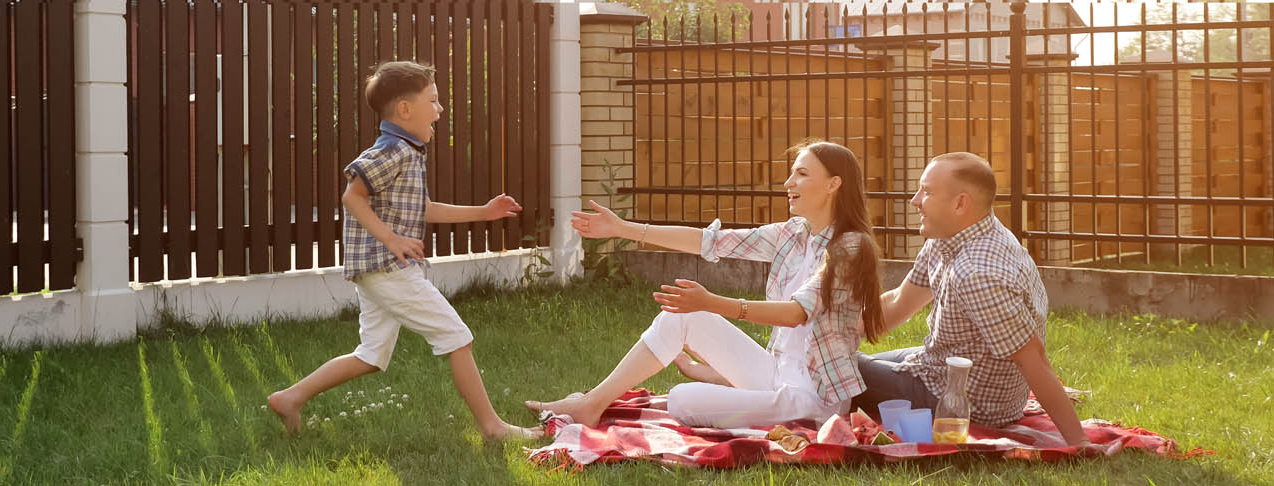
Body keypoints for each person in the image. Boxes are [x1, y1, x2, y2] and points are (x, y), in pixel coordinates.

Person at [525, 141, 886, 429]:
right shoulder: (794, 233)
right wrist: (624, 229)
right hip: (775, 373)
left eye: (801, 174)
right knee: (683, 317)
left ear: (834, 184)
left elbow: (796, 314)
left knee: (683, 399)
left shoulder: (851, 246)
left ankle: (720, 396)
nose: (788, 184)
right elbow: (711, 241)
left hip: (813, 398)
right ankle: (592, 403)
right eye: (791, 174)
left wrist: (713, 301)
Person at [268, 61, 538, 440]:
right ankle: (492, 428)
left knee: (371, 355)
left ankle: (290, 398)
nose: (440, 109)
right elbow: (352, 195)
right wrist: (391, 240)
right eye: (434, 100)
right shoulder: (392, 150)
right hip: (387, 267)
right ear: (404, 109)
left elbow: (423, 209)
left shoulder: (409, 152)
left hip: (380, 269)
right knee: (456, 336)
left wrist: (485, 211)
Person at [853, 152, 1089, 446]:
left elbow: (1033, 359)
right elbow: (901, 302)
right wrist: (836, 332)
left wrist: (1079, 441)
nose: (914, 201)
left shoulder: (977, 273)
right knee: (841, 363)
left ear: (960, 203)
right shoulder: (951, 235)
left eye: (926, 192)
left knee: (841, 369)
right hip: (938, 363)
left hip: (969, 402)